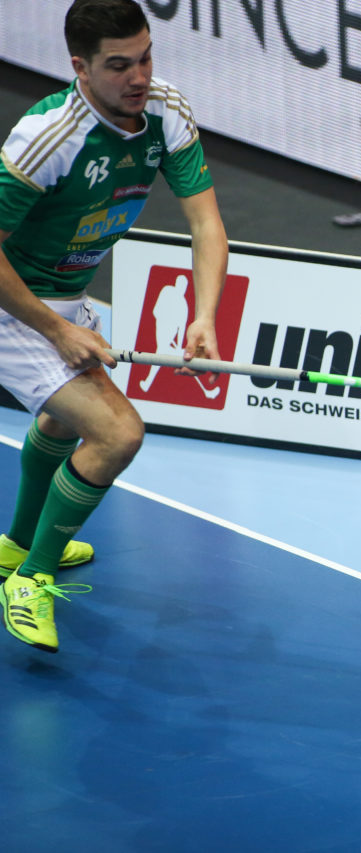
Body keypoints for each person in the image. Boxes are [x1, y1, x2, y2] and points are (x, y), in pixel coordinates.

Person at [0, 0, 228, 652]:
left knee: (61, 418)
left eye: (147, 56)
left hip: (67, 295)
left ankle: (17, 546)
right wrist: (55, 328)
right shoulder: (48, 136)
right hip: (13, 304)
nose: (140, 76)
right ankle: (31, 579)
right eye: (119, 65)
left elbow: (207, 224)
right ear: (80, 67)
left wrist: (203, 314)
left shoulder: (166, 111)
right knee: (118, 432)